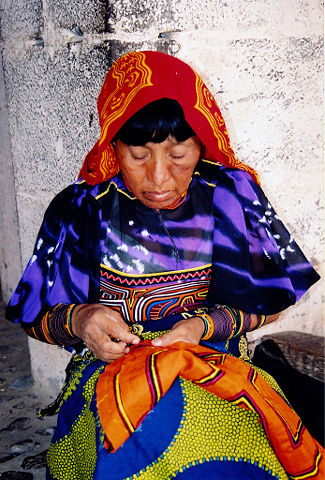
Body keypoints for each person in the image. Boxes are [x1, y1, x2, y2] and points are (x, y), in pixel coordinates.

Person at [6, 50, 323, 479]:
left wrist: (200, 328)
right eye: (138, 155)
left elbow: (271, 301)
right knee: (140, 439)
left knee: (217, 446)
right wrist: (81, 320)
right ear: (113, 144)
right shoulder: (80, 208)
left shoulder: (228, 194)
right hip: (111, 369)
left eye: (178, 155)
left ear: (202, 143)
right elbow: (34, 314)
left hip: (212, 361)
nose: (159, 178)